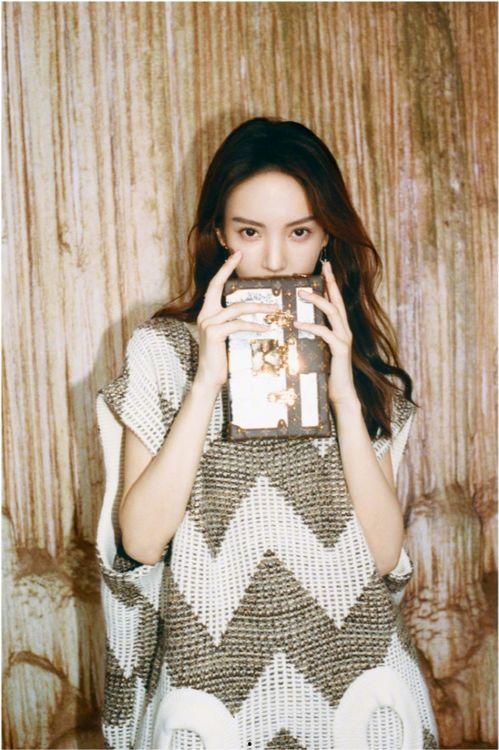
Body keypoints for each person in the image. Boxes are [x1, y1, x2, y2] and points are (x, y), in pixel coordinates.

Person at [95, 116, 440, 749]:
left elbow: (384, 555)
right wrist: (205, 382)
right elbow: (140, 543)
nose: (275, 259)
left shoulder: (357, 364)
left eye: (299, 232)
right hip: (212, 699)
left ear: (327, 236)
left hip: (360, 697)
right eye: (249, 232)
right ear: (218, 234)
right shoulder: (163, 352)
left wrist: (343, 393)